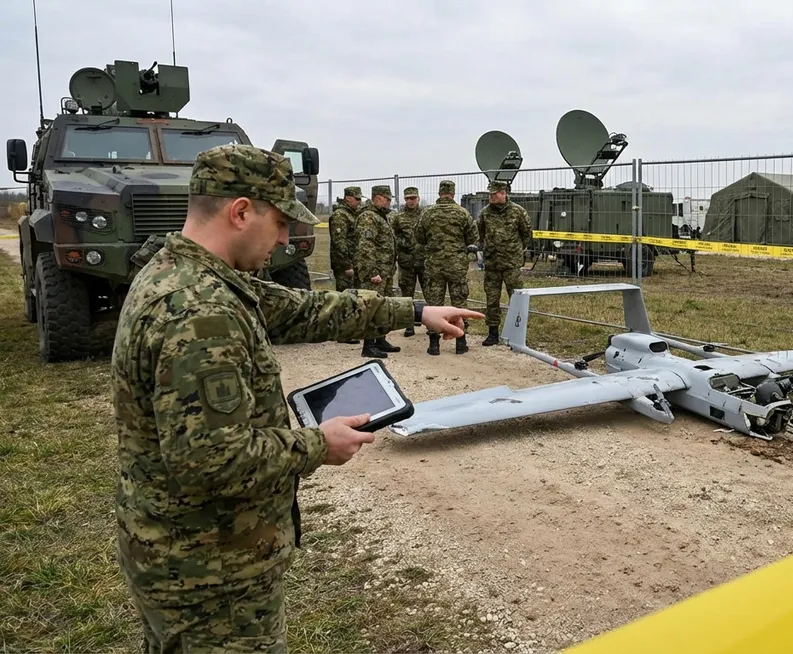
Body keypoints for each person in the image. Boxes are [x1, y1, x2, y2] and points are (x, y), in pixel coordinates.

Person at [110, 143, 482, 652]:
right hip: (210, 576)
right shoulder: (198, 314)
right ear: (241, 211)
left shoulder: (190, 275)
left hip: (189, 557)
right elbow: (211, 461)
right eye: (280, 221)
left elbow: (305, 309)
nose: (285, 238)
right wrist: (316, 444)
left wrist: (416, 312)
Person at [414, 179, 477, 356]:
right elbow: (473, 236)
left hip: (435, 266)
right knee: (459, 303)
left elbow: (419, 236)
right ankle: (460, 342)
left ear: (440, 192)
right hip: (456, 266)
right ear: (453, 193)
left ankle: (434, 345)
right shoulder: (462, 213)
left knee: (434, 304)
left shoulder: (428, 213)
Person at [476, 180, 532, 346]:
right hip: (492, 263)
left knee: (517, 298)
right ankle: (493, 332)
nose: (491, 197)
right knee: (492, 299)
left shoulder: (518, 212)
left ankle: (518, 332)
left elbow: (526, 234)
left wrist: (514, 250)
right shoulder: (485, 213)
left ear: (503, 193)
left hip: (511, 264)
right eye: (490, 194)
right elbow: (480, 233)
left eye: (494, 194)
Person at [354, 184, 402, 357]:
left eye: (389, 199)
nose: (389, 201)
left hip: (385, 272)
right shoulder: (369, 217)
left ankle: (380, 339)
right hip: (376, 273)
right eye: (386, 198)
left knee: (383, 307)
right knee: (372, 307)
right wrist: (372, 271)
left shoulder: (382, 216)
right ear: (377, 197)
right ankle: (368, 345)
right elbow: (365, 247)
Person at [327, 185, 364, 344]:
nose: (359, 202)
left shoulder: (353, 215)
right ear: (348, 198)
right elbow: (339, 243)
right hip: (344, 264)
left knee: (352, 297)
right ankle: (343, 332)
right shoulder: (340, 216)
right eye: (357, 199)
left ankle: (351, 329)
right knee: (344, 298)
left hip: (354, 262)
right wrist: (346, 265)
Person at [391, 186, 426, 338]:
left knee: (430, 294)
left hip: (424, 262)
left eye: (413, 198)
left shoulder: (426, 215)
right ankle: (409, 326)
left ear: (418, 198)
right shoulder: (398, 218)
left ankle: (431, 324)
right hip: (406, 263)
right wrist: (405, 243)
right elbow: (393, 236)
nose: (411, 201)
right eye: (408, 199)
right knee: (407, 295)